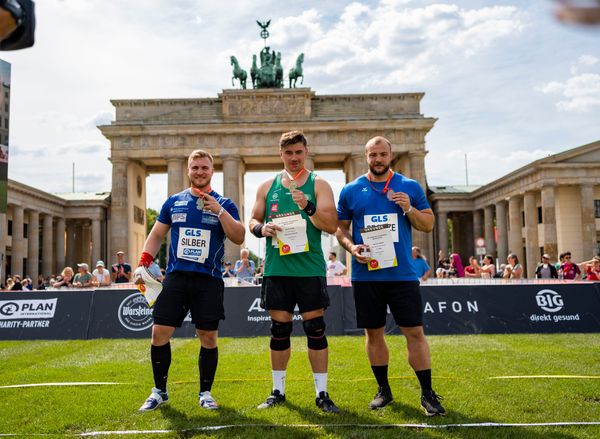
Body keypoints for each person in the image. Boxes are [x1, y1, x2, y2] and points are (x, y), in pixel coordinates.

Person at [335, 136, 446, 416]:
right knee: (373, 334)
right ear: (366, 157)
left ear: (391, 156)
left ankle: (427, 394)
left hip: (402, 275)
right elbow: (340, 229)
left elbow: (429, 224)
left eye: (382, 154)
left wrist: (408, 208)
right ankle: (383, 390)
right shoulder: (351, 190)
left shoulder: (408, 186)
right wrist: (351, 247)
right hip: (366, 275)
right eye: (373, 155)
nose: (378, 159)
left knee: (414, 332)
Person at [136, 149, 245, 412]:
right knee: (159, 332)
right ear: (188, 170)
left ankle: (205, 393)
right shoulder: (174, 201)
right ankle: (159, 391)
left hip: (208, 279)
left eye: (204, 168)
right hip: (176, 277)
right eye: (195, 167)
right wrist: (143, 262)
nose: (199, 172)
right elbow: (156, 234)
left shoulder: (225, 203)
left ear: (212, 171)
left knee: (208, 337)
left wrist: (220, 211)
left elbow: (239, 236)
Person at [249, 130, 340, 413]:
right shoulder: (268, 185)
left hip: (309, 268)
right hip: (277, 269)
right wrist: (259, 228)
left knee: (315, 330)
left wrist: (308, 206)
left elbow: (331, 225)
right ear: (281, 155)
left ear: (306, 152)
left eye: (298, 152)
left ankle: (322, 394)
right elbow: (253, 218)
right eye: (288, 153)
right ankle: (278, 391)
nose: (294, 158)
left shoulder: (319, 184)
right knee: (279, 331)